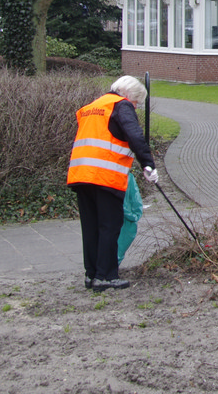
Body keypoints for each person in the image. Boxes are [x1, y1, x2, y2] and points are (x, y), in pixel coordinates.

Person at [67, 75, 159, 292]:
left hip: (81, 174)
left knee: (91, 227)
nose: (134, 107)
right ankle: (106, 276)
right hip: (105, 176)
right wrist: (148, 164)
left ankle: (91, 275)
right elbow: (134, 135)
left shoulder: (91, 107)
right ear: (128, 95)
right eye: (135, 103)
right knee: (109, 226)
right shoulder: (121, 105)